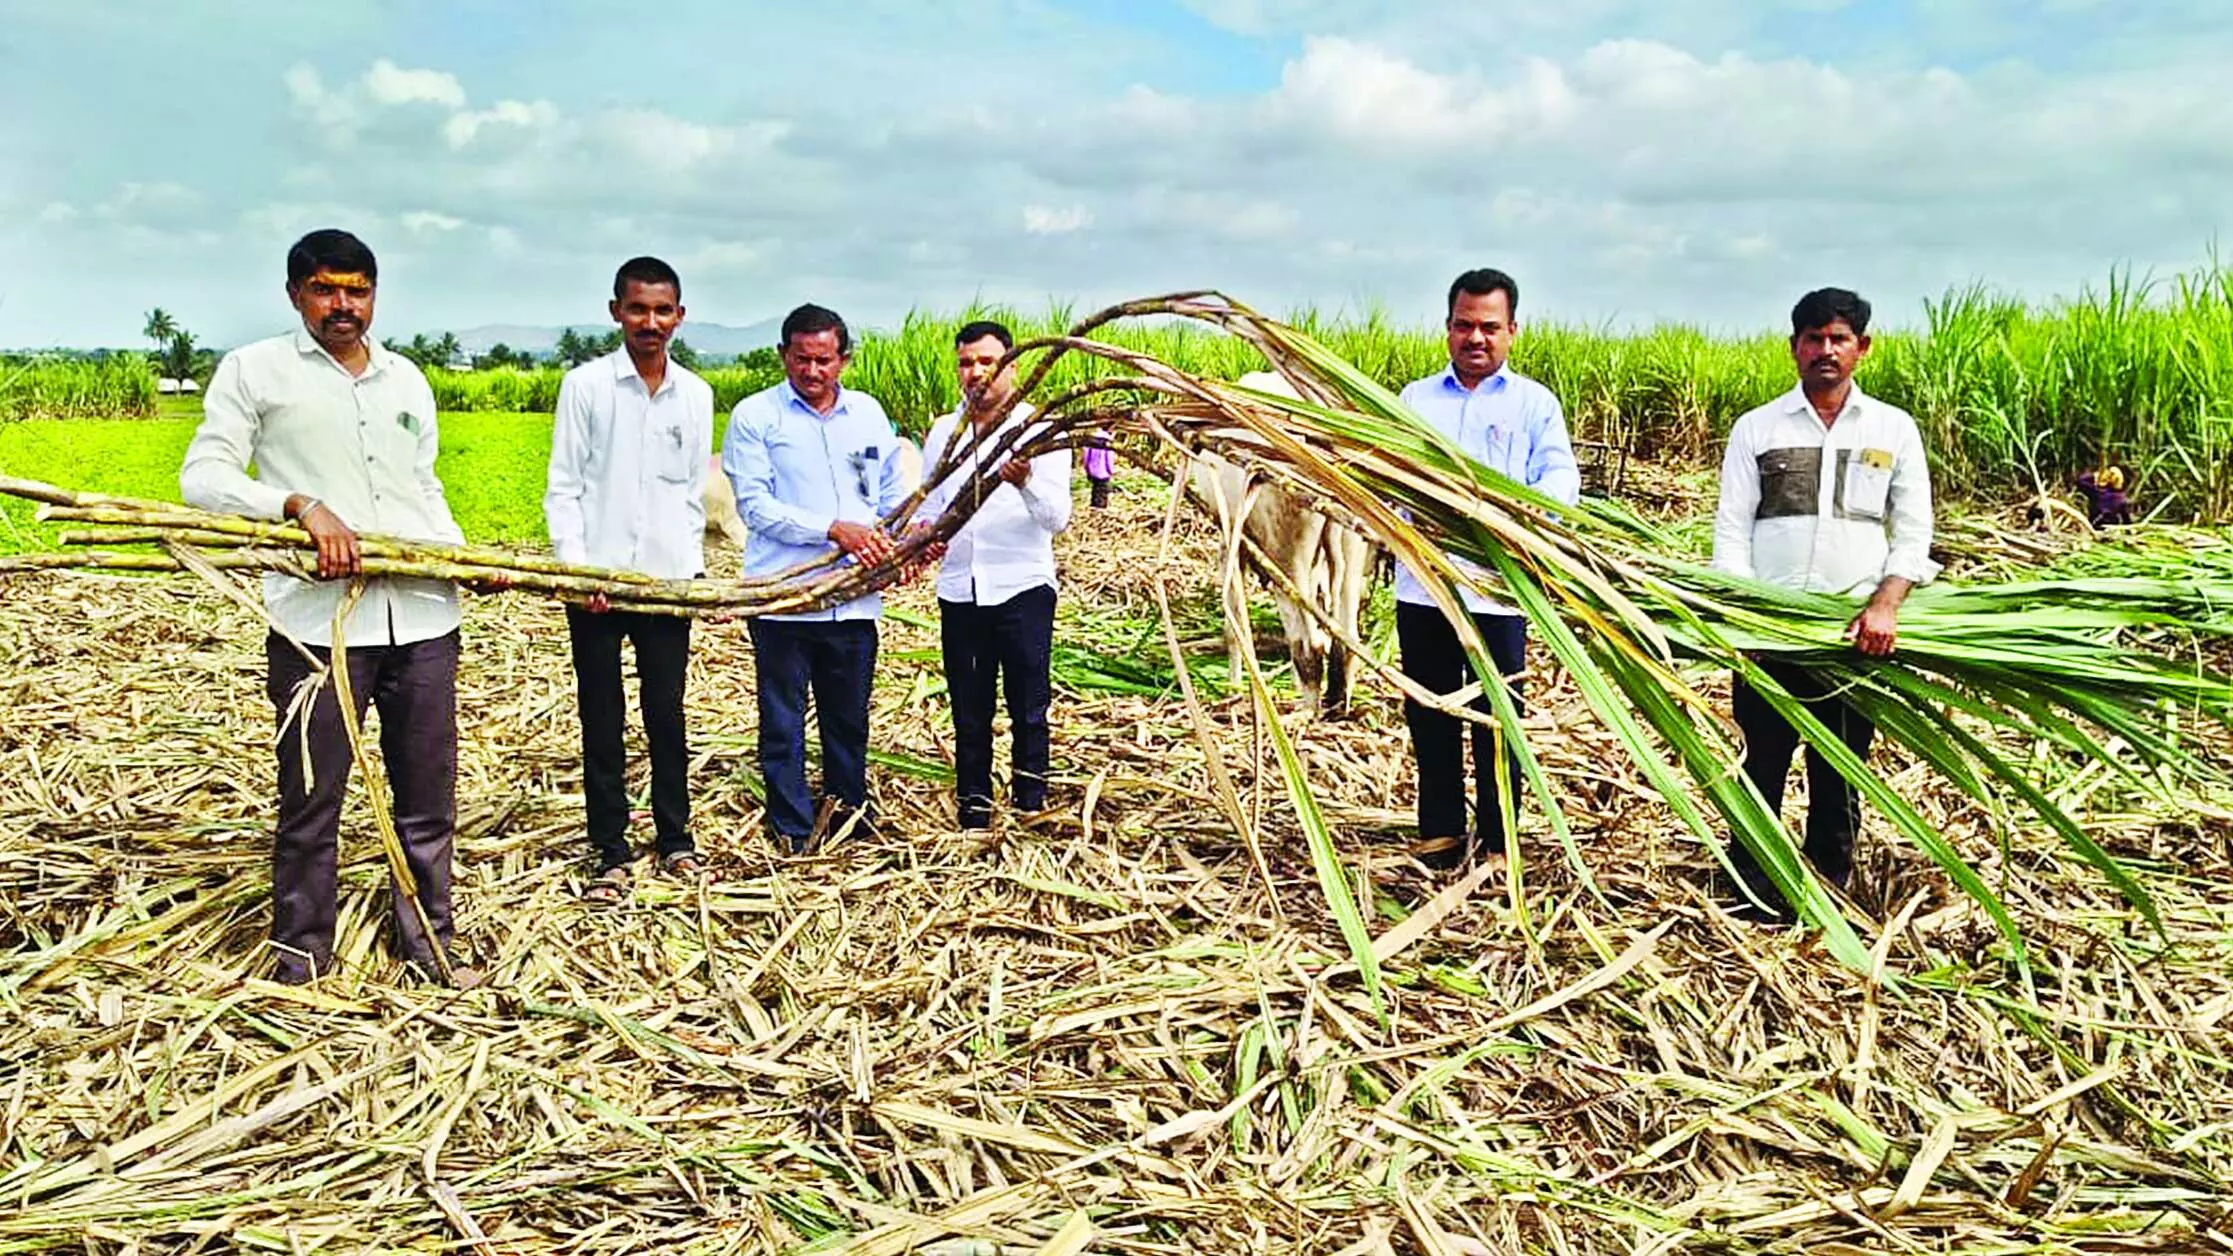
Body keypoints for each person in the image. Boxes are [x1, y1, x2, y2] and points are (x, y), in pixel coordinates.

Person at [180, 228, 478, 986]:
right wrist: (295, 504)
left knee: (425, 801)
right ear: (295, 294)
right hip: (316, 626)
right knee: (312, 800)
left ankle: (430, 946)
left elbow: (424, 484)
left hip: (422, 617)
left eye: (356, 290)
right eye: (325, 289)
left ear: (374, 295)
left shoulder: (406, 379)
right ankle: (302, 959)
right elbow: (203, 476)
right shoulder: (255, 371)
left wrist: (458, 553)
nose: (342, 305)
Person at [1710, 287, 1938, 922]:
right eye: (1813, 339)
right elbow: (1731, 532)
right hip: (1771, 628)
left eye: (1839, 338)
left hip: (1855, 632)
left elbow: (1914, 532)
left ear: (1862, 348)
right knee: (1762, 759)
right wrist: (1743, 613)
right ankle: (1753, 886)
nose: (1825, 350)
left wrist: (1887, 604)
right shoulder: (1758, 429)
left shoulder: (1892, 429)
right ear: (1794, 349)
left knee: (1840, 763)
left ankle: (1829, 889)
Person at [1393, 269, 1580, 871]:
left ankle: (1501, 840)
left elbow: (1560, 483)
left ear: (1512, 331)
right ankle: (1441, 832)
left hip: (1499, 591)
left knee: (1501, 718)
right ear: (1447, 328)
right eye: (1465, 325)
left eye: (1489, 327)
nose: (1476, 338)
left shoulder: (1533, 404)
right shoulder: (1414, 403)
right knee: (1430, 709)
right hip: (1424, 587)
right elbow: (1387, 481)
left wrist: (1510, 511)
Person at [544, 256, 714, 903]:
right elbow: (563, 487)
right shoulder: (586, 387)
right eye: (637, 309)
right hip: (597, 585)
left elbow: (690, 494)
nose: (650, 322)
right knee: (602, 715)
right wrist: (579, 569)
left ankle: (676, 841)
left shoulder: (694, 395)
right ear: (615, 311)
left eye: (662, 310)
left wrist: (692, 573)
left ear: (679, 316)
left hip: (668, 582)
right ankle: (610, 849)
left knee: (666, 715)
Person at [722, 305, 907, 852]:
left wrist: (898, 543)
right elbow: (755, 507)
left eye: (823, 359)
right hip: (784, 596)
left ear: (843, 359)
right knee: (782, 722)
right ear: (783, 355)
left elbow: (890, 489)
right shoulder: (756, 417)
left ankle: (849, 816)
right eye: (800, 358)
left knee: (847, 718)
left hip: (851, 598)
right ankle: (792, 827)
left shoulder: (869, 415)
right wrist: (833, 530)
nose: (811, 370)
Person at [917, 320, 1072, 828]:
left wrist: (1025, 481)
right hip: (961, 589)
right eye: (967, 363)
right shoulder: (945, 432)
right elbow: (934, 506)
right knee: (969, 707)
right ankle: (975, 809)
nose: (976, 372)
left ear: (1012, 366)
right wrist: (919, 538)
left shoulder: (1039, 430)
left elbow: (1058, 519)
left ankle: (1030, 805)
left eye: (988, 362)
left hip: (1022, 586)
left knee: (1029, 706)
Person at [1083, 428, 1116, 508]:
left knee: (1095, 491)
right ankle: (1100, 509)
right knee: (1102, 493)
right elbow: (1109, 458)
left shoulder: (1093, 438)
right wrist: (1111, 470)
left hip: (1092, 470)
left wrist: (1087, 468)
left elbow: (1087, 455)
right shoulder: (1108, 440)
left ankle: (1094, 507)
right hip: (1103, 472)